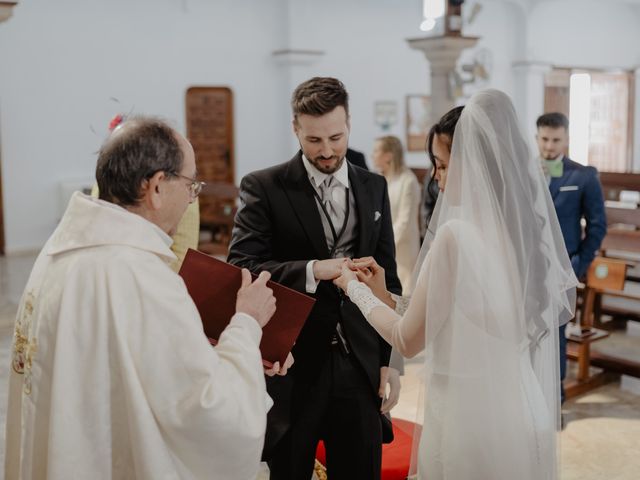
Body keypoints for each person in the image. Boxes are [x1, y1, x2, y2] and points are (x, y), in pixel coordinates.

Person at [5, 117, 285, 480]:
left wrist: (209, 347)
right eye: (190, 185)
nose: (190, 198)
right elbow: (210, 407)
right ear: (155, 187)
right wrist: (246, 323)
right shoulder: (140, 274)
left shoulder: (60, 251)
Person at [334, 90, 577, 479]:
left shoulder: (455, 237)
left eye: (442, 165)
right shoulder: (519, 238)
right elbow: (458, 315)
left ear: (476, 165)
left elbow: (408, 339)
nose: (436, 178)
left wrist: (353, 288)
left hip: (469, 413)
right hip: (517, 404)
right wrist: (385, 295)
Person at [227, 77, 402, 479]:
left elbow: (388, 278)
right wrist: (313, 269)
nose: (326, 151)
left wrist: (388, 361)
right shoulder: (264, 186)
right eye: (313, 140)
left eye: (336, 138)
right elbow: (243, 266)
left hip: (359, 363)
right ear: (295, 129)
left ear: (349, 124)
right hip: (292, 365)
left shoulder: (374, 187)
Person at [536, 112, 607, 402]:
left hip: (563, 269)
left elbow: (597, 225)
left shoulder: (582, 175)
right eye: (544, 139)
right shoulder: (523, 171)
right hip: (528, 269)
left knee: (556, 335)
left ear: (566, 139)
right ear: (536, 137)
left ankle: (554, 402)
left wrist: (577, 265)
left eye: (555, 140)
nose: (549, 146)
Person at [372, 135, 421, 294]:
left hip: (403, 250)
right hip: (385, 249)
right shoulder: (380, 179)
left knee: (404, 291)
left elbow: (404, 221)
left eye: (376, 151)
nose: (372, 155)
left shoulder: (408, 181)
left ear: (389, 155)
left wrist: (385, 243)